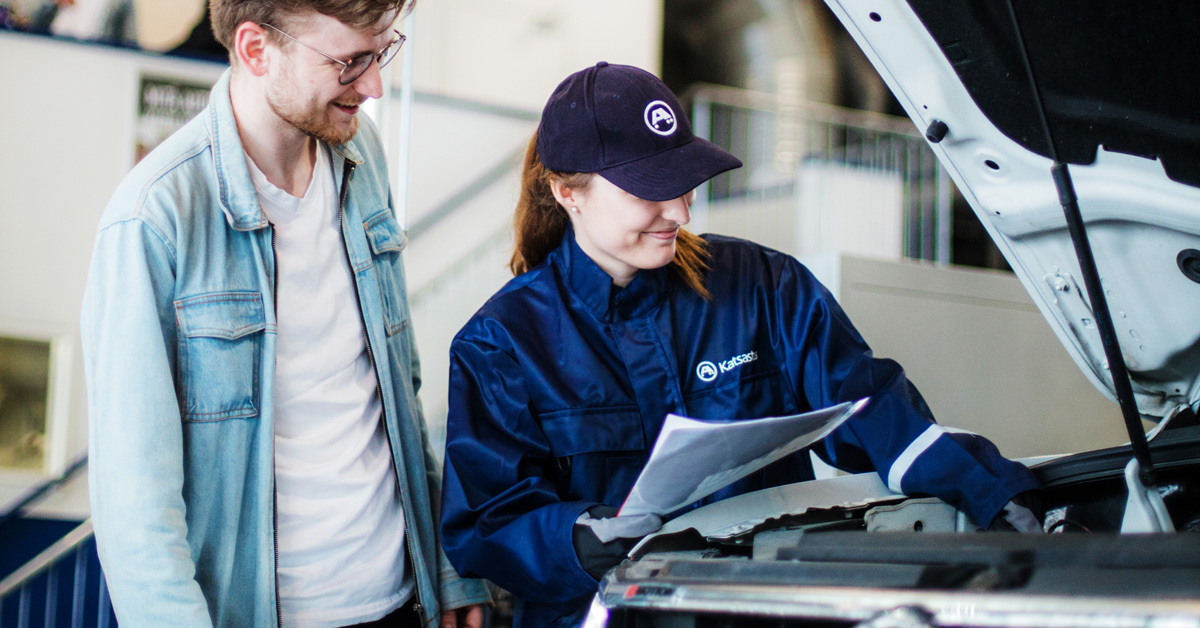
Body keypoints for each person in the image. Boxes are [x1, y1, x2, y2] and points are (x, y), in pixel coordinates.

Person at [438, 62, 1043, 628]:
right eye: (647, 190)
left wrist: (989, 491)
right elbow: (487, 523)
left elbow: (871, 409)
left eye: (682, 183)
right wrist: (577, 536)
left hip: (760, 608)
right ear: (568, 192)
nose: (677, 211)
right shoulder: (501, 345)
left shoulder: (763, 286)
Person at [80, 1, 490, 626]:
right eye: (350, 61)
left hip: (402, 603)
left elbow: (400, 395)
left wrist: (448, 570)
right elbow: (136, 506)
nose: (374, 85)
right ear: (254, 50)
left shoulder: (361, 154)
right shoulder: (154, 219)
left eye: (381, 52)